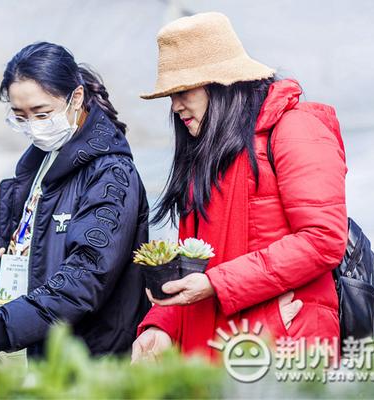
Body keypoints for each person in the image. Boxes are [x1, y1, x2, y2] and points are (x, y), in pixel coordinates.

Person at [131, 12, 348, 362]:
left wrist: (218, 284)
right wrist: (162, 325)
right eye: (170, 95)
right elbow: (196, 262)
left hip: (284, 343)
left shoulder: (295, 129)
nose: (174, 106)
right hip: (221, 345)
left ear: (222, 82)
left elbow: (323, 238)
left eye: (183, 90)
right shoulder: (209, 151)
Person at [0, 42, 151, 358]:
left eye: (41, 113)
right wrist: (5, 252)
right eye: (20, 116)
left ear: (77, 98)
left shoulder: (112, 174)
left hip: (93, 359)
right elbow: (52, 245)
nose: (33, 126)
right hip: (48, 349)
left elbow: (84, 277)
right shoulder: (43, 162)